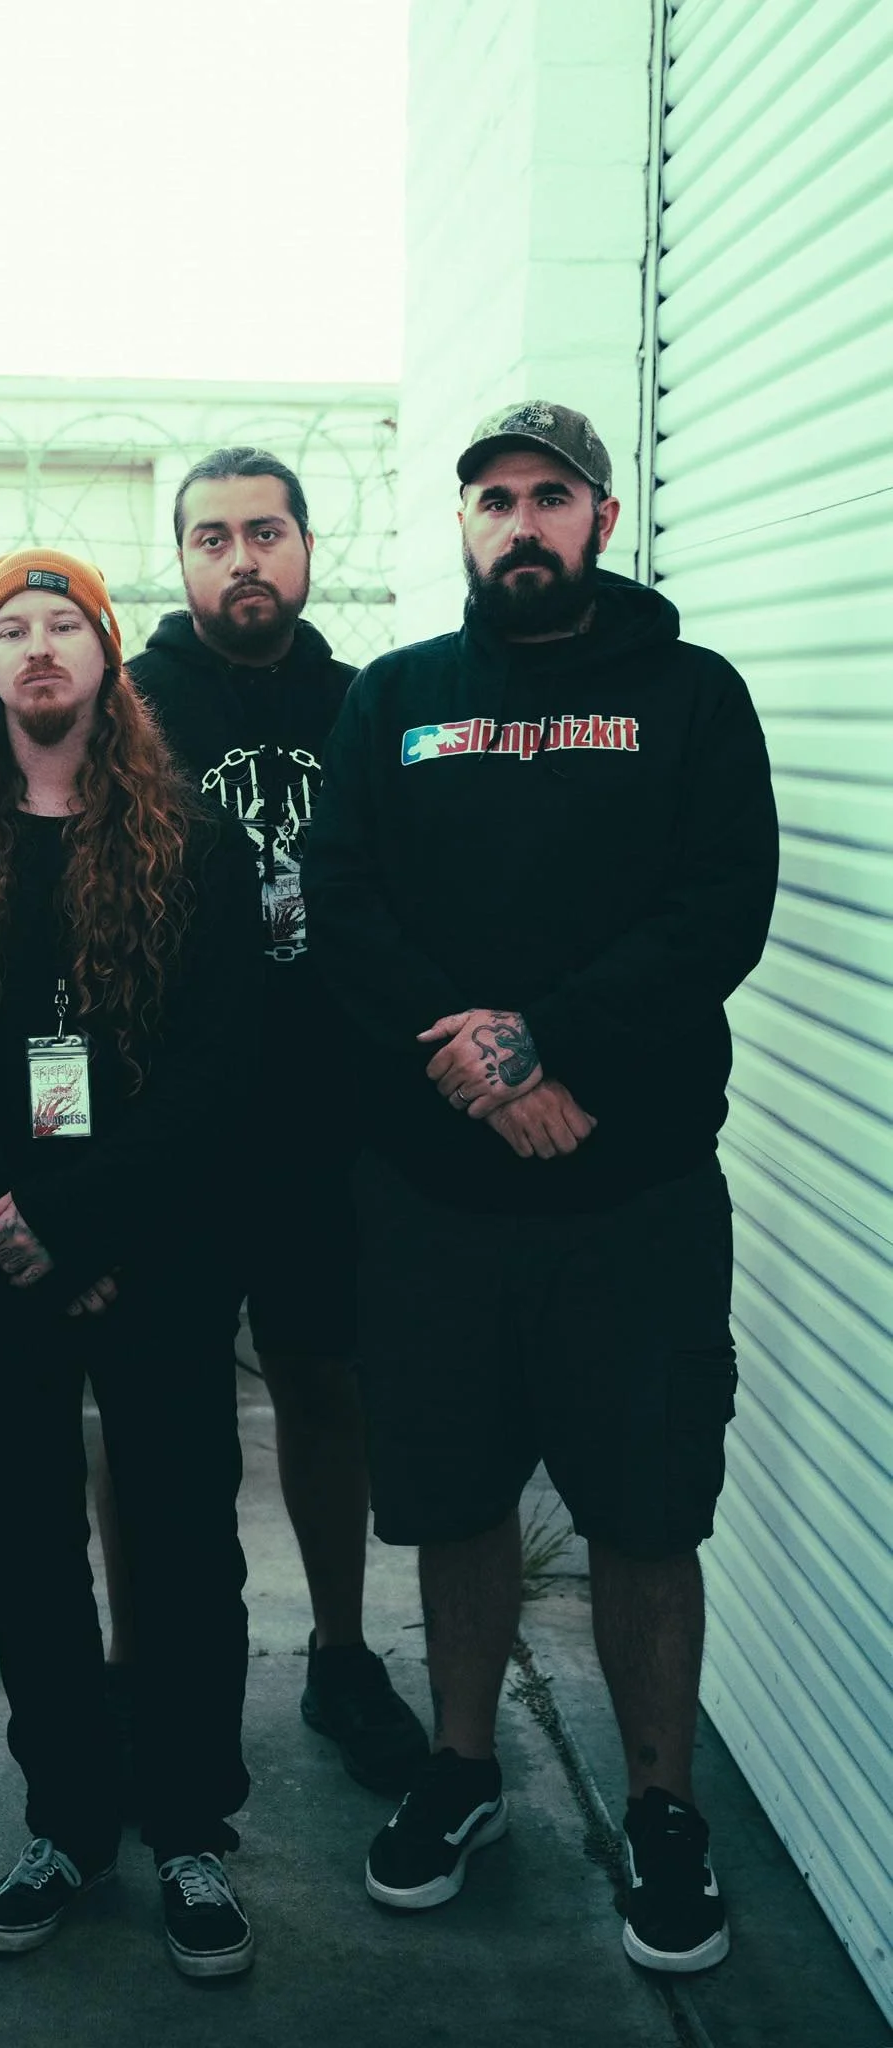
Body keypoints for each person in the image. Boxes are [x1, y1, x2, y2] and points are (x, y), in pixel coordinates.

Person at [304, 403, 779, 1973]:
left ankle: (659, 1809)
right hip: (433, 1206)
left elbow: (716, 911)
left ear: (601, 517)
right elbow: (342, 903)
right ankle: (460, 1772)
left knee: (646, 1512)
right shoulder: (394, 698)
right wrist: (485, 1075)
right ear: (462, 524)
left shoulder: (690, 697)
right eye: (493, 498)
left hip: (632, 1200)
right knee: (451, 1500)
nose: (520, 521)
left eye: (549, 496)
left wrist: (541, 1041)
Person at [0, 549, 261, 1978]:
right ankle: (69, 1824)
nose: (37, 649)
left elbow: (218, 1064)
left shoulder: (195, 844)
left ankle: (192, 1831)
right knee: (28, 1555)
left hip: (158, 1252)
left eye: (62, 627)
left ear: (104, 656)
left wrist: (85, 1226)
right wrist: (10, 1219)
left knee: (183, 1544)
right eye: (10, 630)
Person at [93, 447, 426, 1796]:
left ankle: (340, 1653)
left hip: (322, 1114)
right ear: (180, 559)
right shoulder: (127, 707)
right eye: (214, 536)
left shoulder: (365, 707)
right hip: (169, 1120)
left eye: (267, 533)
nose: (243, 558)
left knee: (323, 1380)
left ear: (305, 549)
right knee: (146, 1404)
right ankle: (134, 1669)